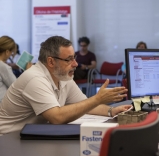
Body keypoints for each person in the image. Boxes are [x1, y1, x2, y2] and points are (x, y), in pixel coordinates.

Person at [0, 36, 130, 135]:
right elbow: (57, 117)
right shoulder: (34, 78)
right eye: (69, 59)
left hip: (31, 135)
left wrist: (111, 111)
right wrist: (97, 99)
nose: (75, 64)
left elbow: (85, 104)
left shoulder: (63, 76)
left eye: (74, 58)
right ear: (51, 61)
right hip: (8, 139)